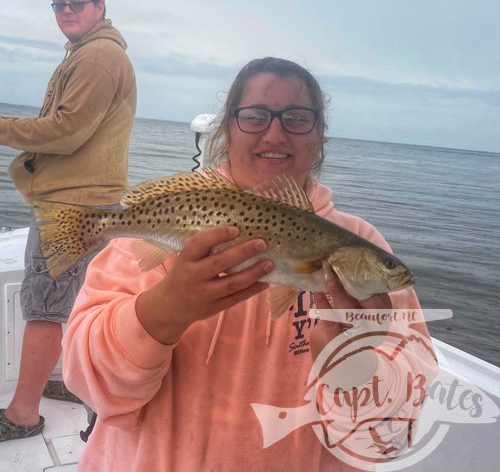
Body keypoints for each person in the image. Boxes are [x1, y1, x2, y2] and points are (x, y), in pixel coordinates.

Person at [62, 57, 435, 470]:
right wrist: (165, 309)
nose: (275, 132)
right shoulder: (154, 236)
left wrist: (356, 367)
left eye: (296, 118)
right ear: (227, 128)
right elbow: (86, 385)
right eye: (255, 116)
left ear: (319, 135)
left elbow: (391, 435)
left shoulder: (364, 244)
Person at [0, 0, 136, 442]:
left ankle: (22, 415)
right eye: (58, 5)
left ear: (100, 5)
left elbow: (66, 131)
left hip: (72, 205)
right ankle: (79, 383)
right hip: (89, 201)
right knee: (77, 301)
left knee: (44, 306)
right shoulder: (92, 53)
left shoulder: (98, 57)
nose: (67, 12)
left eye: (77, 3)